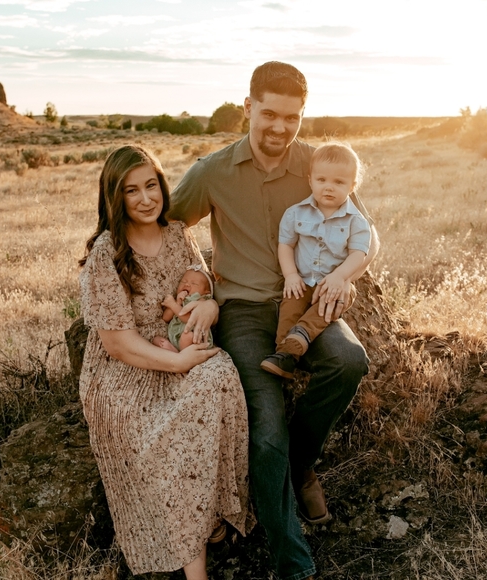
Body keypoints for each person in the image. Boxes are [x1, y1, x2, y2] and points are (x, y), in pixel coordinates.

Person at [169, 62, 379, 580]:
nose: (280, 128)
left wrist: (345, 276)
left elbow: (366, 234)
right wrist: (201, 288)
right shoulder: (212, 171)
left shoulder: (318, 164)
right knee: (265, 432)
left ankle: (300, 463)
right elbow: (166, 229)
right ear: (248, 108)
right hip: (242, 311)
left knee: (349, 361)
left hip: (306, 303)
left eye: (292, 117)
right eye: (270, 114)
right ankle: (294, 564)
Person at [78, 145, 254, 580]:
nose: (145, 199)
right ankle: (196, 570)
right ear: (114, 197)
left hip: (179, 346)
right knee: (170, 433)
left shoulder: (177, 233)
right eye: (131, 190)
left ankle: (214, 513)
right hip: (128, 370)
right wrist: (176, 365)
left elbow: (202, 284)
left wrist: (209, 305)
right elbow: (118, 344)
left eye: (151, 185)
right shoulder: (107, 252)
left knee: (220, 374)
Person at [261, 141, 371, 379]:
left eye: (339, 182)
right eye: (322, 180)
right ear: (310, 180)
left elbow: (358, 254)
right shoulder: (295, 213)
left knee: (329, 306)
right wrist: (291, 275)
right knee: (289, 308)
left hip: (334, 283)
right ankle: (284, 355)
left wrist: (340, 277)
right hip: (301, 280)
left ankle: (302, 333)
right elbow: (286, 245)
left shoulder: (356, 221)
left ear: (352, 186)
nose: (329, 187)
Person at [152, 265, 215, 353]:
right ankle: (175, 352)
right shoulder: (180, 299)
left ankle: (182, 354)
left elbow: (189, 319)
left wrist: (173, 305)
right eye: (183, 281)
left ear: (206, 292)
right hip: (175, 336)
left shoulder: (202, 301)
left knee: (187, 336)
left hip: (194, 337)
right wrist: (177, 303)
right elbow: (165, 318)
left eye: (194, 283)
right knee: (156, 340)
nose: (187, 284)